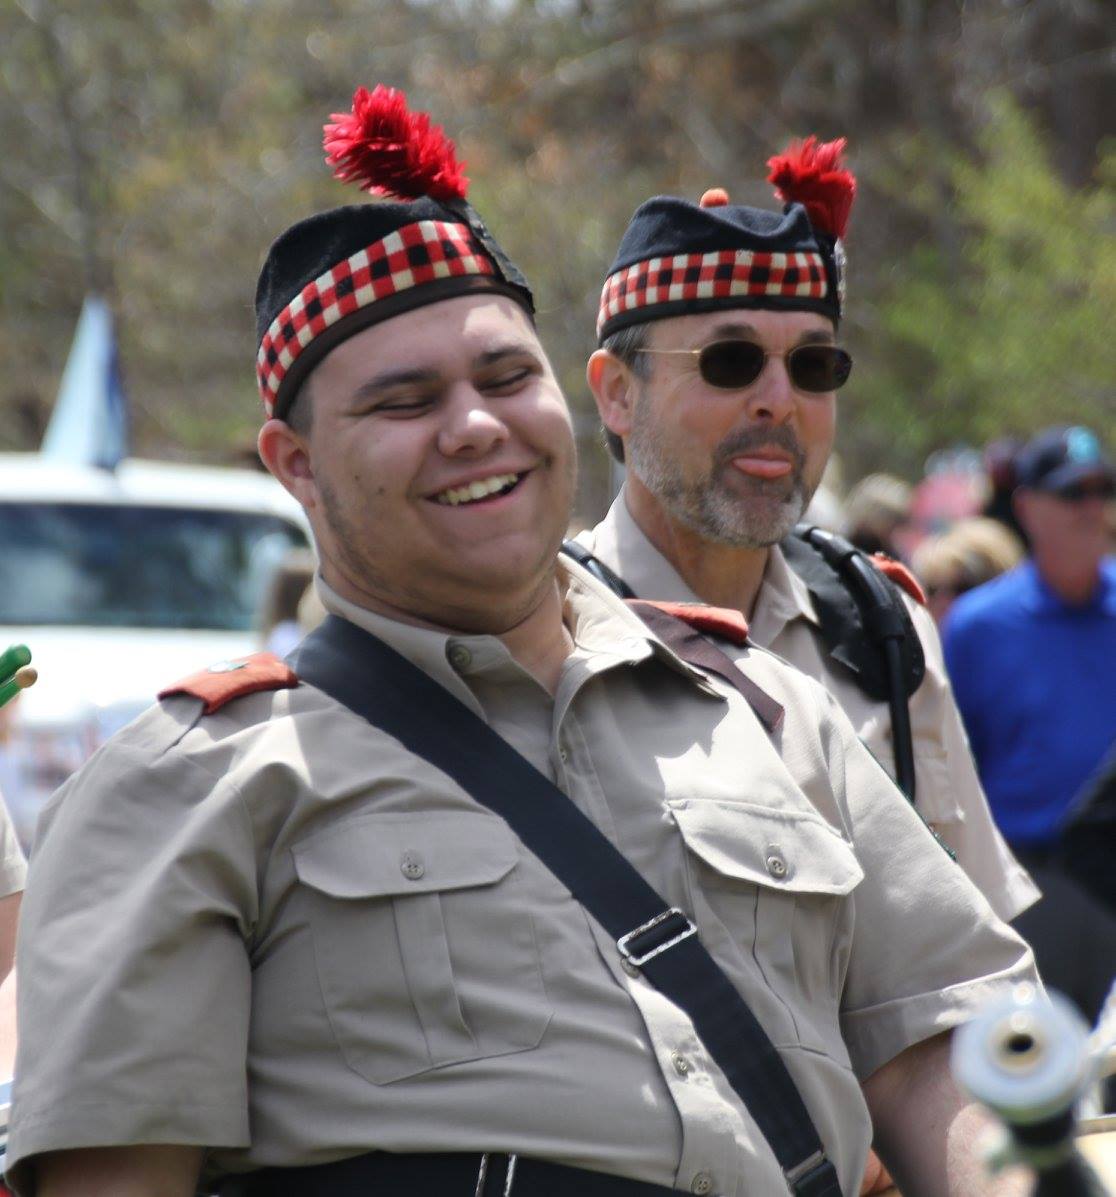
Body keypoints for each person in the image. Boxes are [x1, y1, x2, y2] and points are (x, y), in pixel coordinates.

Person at [9, 88, 1037, 1197]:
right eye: (404, 401)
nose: (476, 425)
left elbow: (948, 1053)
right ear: (294, 463)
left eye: (506, 378)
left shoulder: (772, 714)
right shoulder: (190, 784)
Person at [578, 138, 1037, 928]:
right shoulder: (546, 638)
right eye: (730, 360)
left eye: (814, 365)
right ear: (618, 394)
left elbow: (981, 945)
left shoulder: (882, 628)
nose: (778, 401)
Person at [942, 425, 1116, 1021]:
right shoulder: (977, 626)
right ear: (1027, 508)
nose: (1092, 509)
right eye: (1073, 493)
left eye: (1103, 490)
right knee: (1050, 1082)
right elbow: (953, 771)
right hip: (1032, 883)